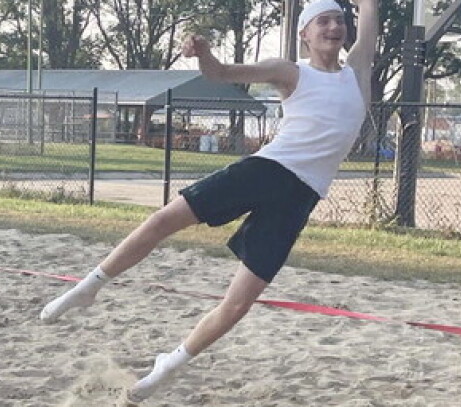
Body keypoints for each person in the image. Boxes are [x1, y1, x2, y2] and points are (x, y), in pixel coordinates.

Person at [40, 0, 378, 402]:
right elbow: (220, 73)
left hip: (301, 197)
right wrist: (202, 52)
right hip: (266, 170)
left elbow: (371, 10)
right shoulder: (290, 71)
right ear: (305, 33)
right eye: (323, 21)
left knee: (238, 304)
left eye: (339, 20)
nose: (334, 27)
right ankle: (89, 286)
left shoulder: (357, 72)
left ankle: (169, 365)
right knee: (163, 220)